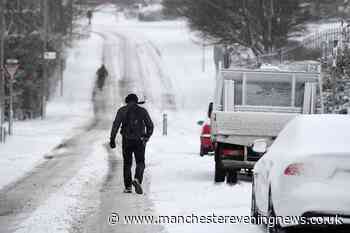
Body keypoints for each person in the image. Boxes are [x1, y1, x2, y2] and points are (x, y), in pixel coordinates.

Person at [109, 94, 154, 194]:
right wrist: (146, 137)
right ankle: (137, 179)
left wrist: (112, 139)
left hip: (126, 140)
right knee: (140, 162)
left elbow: (115, 125)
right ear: (136, 101)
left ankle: (128, 187)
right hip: (140, 141)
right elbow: (150, 125)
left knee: (127, 163)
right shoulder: (142, 111)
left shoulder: (122, 110)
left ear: (127, 101)